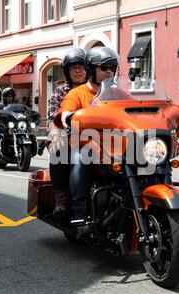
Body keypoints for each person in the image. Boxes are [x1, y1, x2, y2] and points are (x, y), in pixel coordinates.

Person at [55, 46, 119, 231]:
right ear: (92, 69)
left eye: (112, 68)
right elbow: (64, 111)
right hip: (85, 144)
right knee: (80, 159)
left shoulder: (118, 94)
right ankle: (80, 213)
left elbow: (134, 110)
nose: (109, 72)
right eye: (104, 67)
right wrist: (68, 117)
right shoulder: (77, 93)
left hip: (114, 144)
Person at [47, 47, 87, 217]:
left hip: (97, 136)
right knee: (59, 151)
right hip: (68, 135)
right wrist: (55, 134)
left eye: (81, 67)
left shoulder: (98, 89)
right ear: (67, 71)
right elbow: (52, 118)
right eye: (73, 68)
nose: (77, 71)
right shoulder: (61, 91)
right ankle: (61, 198)